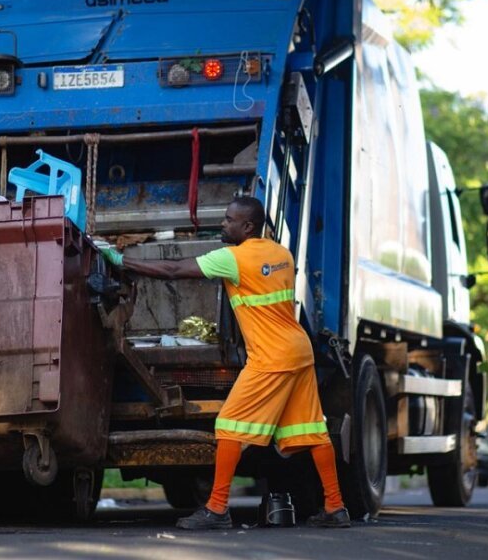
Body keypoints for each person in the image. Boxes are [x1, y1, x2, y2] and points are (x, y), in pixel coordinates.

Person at [100, 196, 350, 530]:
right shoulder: (282, 255)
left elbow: (174, 271)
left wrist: (121, 260)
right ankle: (336, 506)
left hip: (271, 356)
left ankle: (217, 508)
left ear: (247, 226)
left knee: (229, 425)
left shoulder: (234, 258)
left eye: (229, 220)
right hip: (299, 350)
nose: (223, 223)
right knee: (311, 430)